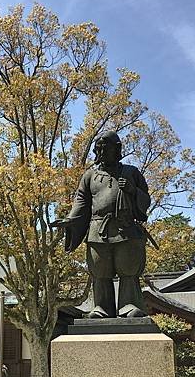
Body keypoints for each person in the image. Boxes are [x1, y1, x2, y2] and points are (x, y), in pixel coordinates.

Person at [52, 130, 151, 318]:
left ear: (117, 149)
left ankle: (129, 305)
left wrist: (132, 191)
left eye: (106, 149)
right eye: (99, 149)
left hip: (126, 228)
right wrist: (70, 220)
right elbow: (81, 202)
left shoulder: (131, 172)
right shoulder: (90, 176)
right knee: (100, 270)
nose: (102, 153)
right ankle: (102, 307)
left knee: (128, 269)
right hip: (98, 230)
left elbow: (146, 199)